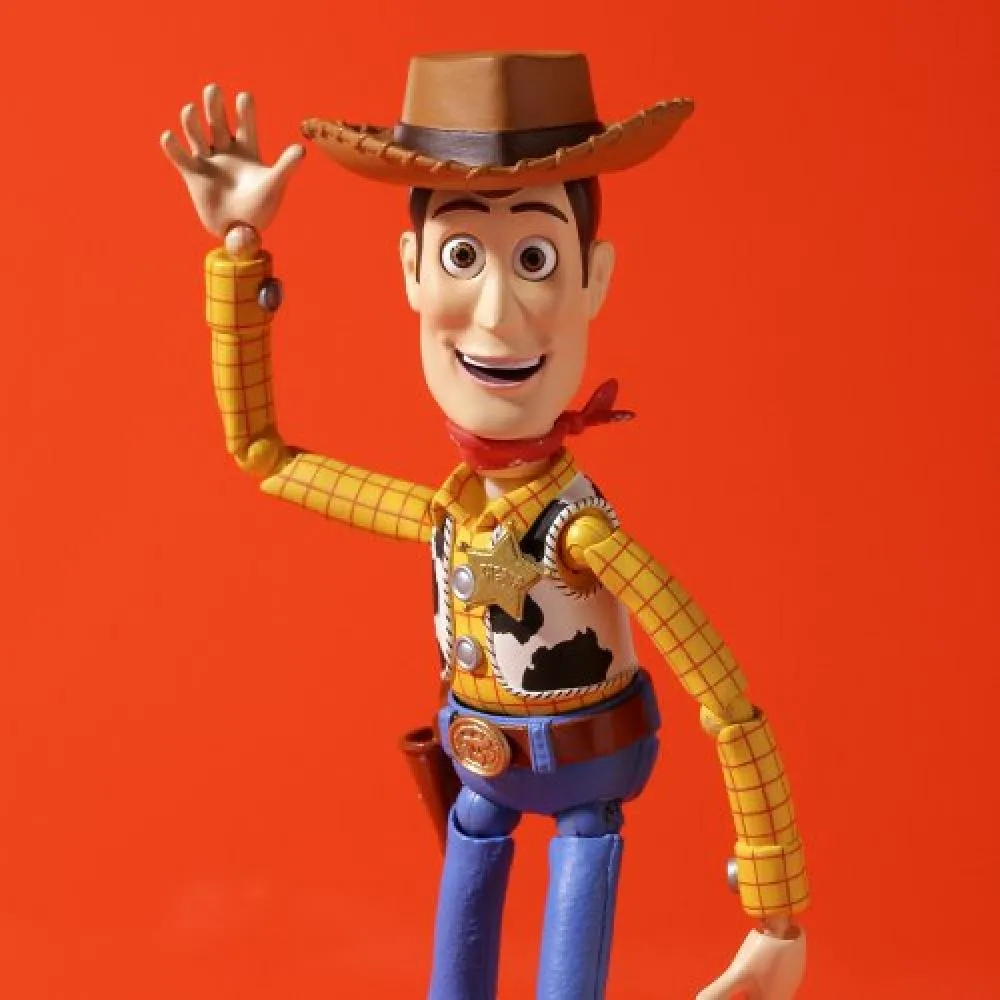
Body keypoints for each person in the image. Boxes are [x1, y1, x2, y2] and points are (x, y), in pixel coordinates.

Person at [161, 50, 808, 1000]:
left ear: (594, 279)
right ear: (411, 272)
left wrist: (773, 911)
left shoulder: (581, 538)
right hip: (481, 778)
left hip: (585, 782)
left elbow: (726, 701)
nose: (498, 314)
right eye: (463, 256)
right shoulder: (443, 512)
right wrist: (239, 249)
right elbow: (263, 453)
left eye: (535, 260)